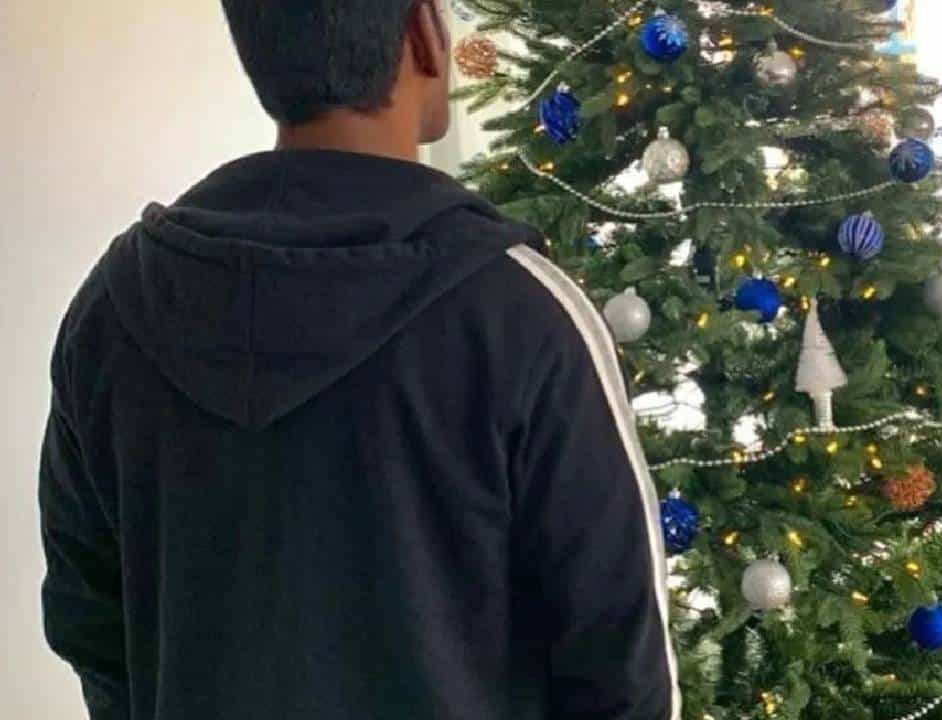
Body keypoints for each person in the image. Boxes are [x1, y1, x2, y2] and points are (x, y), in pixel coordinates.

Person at [37, 1, 679, 718]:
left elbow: (89, 623)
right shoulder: (522, 315)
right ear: (423, 33)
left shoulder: (111, 312)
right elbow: (621, 669)